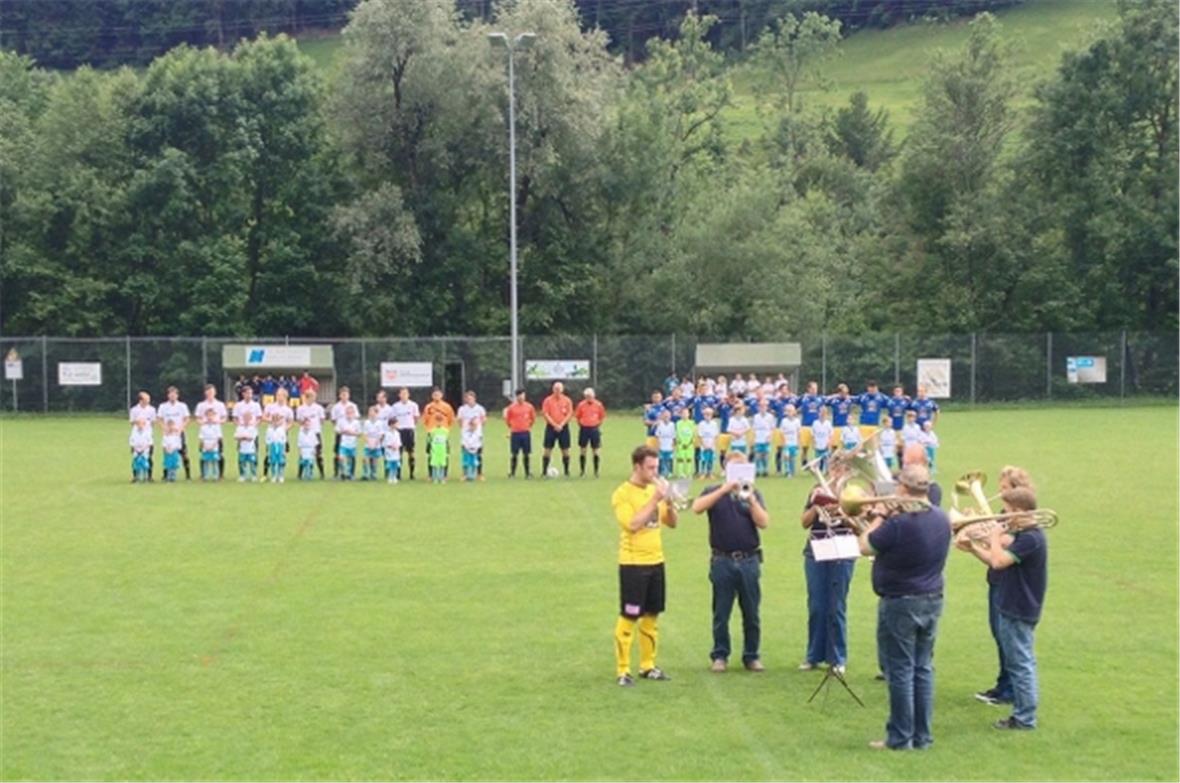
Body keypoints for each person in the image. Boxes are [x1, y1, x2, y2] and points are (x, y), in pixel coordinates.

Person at [858, 464, 951, 750]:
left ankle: (899, 737)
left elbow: (864, 546)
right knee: (923, 668)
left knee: (900, 670)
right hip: (932, 598)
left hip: (901, 601)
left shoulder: (898, 523)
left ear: (903, 488)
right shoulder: (942, 518)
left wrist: (879, 516)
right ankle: (922, 736)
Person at [957, 486, 1047, 731]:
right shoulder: (1022, 535)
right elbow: (995, 562)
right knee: (1018, 660)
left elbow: (998, 560)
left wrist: (994, 536)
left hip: (1019, 606)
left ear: (1019, 511)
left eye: (1007, 512)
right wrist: (974, 548)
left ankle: (1025, 717)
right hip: (1012, 603)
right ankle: (1022, 714)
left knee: (1020, 662)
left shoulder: (1030, 539)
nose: (1003, 516)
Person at [691, 452, 769, 673]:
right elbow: (697, 507)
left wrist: (751, 499)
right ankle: (720, 654)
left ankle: (751, 655)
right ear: (726, 470)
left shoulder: (753, 493)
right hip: (722, 559)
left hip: (749, 559)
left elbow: (764, 523)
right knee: (721, 612)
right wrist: (724, 490)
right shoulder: (713, 491)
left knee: (751, 612)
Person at [612, 445, 679, 686]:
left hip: (656, 560)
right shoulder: (623, 494)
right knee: (630, 615)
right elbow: (632, 523)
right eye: (650, 468)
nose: (654, 472)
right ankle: (623, 670)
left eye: (656, 467)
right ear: (637, 466)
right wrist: (655, 499)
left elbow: (672, 523)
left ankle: (648, 665)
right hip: (633, 564)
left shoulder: (655, 491)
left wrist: (669, 504)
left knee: (652, 615)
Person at [972, 465, 1034, 707]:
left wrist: (990, 536)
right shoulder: (1004, 515)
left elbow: (1001, 553)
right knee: (1000, 636)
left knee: (1008, 639)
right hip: (997, 581)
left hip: (1010, 585)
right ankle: (1003, 684)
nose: (1000, 495)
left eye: (1005, 490)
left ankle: (1011, 690)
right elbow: (993, 552)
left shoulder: (1023, 527)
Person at [799, 457, 857, 673]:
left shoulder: (853, 492)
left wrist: (843, 511)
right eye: (834, 466)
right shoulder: (816, 490)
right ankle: (813, 655)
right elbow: (804, 522)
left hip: (843, 549)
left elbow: (860, 525)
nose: (836, 470)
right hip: (816, 549)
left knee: (837, 605)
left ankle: (837, 658)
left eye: (841, 467)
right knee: (816, 604)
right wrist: (816, 506)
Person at [156, 386, 192, 480]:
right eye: (171, 394)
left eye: (174, 394)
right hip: (168, 434)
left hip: (179, 433)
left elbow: (187, 418)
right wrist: (164, 428)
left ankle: (188, 474)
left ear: (177, 395)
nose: (172, 396)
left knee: (183, 453)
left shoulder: (182, 406)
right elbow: (159, 419)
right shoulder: (163, 406)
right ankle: (166, 474)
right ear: (168, 395)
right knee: (167, 453)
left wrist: (181, 428)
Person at [194, 384, 228, 478]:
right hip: (205, 432)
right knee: (203, 453)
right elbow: (197, 418)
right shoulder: (201, 405)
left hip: (216, 431)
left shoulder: (220, 404)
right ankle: (203, 473)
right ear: (205, 393)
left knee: (219, 453)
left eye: (212, 392)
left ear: (215, 392)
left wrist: (217, 421)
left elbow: (225, 418)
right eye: (208, 392)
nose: (210, 394)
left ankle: (220, 474)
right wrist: (203, 422)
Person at [541, 381, 574, 478]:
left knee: (565, 450)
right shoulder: (547, 400)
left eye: (559, 389)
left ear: (562, 389)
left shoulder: (567, 400)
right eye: (556, 389)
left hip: (563, 428)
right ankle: (544, 472)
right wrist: (554, 424)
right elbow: (546, 413)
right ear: (553, 389)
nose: (557, 391)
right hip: (551, 427)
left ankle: (567, 471)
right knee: (547, 449)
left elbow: (569, 413)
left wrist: (561, 424)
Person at [504, 389, 536, 479]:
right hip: (515, 433)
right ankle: (512, 473)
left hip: (525, 433)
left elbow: (533, 419)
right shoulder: (511, 408)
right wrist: (513, 427)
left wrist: (527, 426)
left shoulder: (529, 407)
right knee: (514, 454)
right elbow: (508, 420)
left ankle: (527, 473)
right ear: (516, 397)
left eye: (523, 395)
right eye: (519, 395)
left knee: (526, 453)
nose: (521, 397)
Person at [390, 388, 421, 481]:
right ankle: (398, 474)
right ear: (399, 395)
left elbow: (416, 418)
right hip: (399, 431)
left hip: (409, 430)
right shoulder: (395, 406)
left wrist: (411, 426)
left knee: (411, 452)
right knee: (398, 453)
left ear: (408, 395)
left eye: (405, 393)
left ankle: (412, 473)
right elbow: (393, 419)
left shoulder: (413, 405)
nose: (404, 395)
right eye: (402, 394)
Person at [575, 388, 607, 478]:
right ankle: (582, 471)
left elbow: (602, 417)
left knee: (596, 450)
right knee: (583, 450)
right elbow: (577, 417)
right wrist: (582, 424)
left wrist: (596, 425)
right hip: (584, 429)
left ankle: (596, 471)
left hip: (594, 429)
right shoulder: (581, 405)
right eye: (587, 396)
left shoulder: (598, 405)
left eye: (590, 396)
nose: (589, 398)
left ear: (594, 396)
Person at [295, 389, 327, 479]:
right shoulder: (301, 408)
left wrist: (314, 427)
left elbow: (322, 420)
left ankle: (322, 473)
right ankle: (300, 474)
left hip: (316, 433)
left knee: (318, 453)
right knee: (303, 454)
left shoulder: (319, 408)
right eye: (311, 397)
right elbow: (299, 421)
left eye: (314, 397)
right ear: (306, 397)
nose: (313, 399)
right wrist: (305, 425)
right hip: (304, 433)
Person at [456, 391, 488, 481]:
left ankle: (479, 474)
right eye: (467, 398)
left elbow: (484, 419)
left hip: (477, 435)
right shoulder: (462, 409)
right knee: (465, 454)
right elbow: (459, 420)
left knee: (478, 454)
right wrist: (465, 429)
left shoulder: (480, 408)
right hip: (466, 435)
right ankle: (465, 474)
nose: (469, 400)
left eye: (471, 398)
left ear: (474, 398)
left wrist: (478, 428)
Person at [262, 387, 293, 479]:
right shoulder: (270, 406)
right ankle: (266, 474)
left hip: (281, 434)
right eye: (278, 395)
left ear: (285, 397)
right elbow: (263, 417)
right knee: (269, 453)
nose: (279, 397)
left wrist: (284, 429)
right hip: (271, 433)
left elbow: (290, 423)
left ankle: (280, 474)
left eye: (281, 395)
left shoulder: (288, 410)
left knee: (281, 454)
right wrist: (271, 420)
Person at [128, 391, 157, 481]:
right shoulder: (134, 410)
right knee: (136, 458)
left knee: (149, 456)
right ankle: (136, 476)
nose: (148, 401)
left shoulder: (152, 409)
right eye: (146, 399)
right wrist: (139, 423)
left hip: (147, 436)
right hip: (137, 436)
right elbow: (132, 422)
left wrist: (146, 427)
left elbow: (153, 422)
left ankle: (149, 476)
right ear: (141, 400)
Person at [329, 387, 356, 479]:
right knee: (337, 453)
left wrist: (351, 430)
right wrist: (340, 429)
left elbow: (356, 419)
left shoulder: (353, 405)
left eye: (346, 394)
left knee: (351, 454)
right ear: (339, 395)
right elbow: (333, 420)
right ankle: (337, 473)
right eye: (342, 394)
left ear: (349, 395)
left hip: (351, 434)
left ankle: (351, 473)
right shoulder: (336, 407)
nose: (344, 396)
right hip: (340, 433)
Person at [797, 381, 824, 468]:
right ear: (808, 389)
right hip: (806, 425)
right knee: (805, 447)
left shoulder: (819, 399)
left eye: (816, 389)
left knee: (817, 445)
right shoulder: (803, 398)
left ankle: (817, 463)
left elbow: (822, 410)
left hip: (816, 426)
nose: (814, 391)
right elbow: (795, 406)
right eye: (813, 389)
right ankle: (804, 462)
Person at [885, 385, 912, 464]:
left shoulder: (905, 401)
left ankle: (901, 463)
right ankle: (890, 463)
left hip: (901, 427)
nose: (898, 393)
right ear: (894, 392)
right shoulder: (890, 401)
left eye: (899, 391)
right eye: (896, 391)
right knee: (891, 446)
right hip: (891, 428)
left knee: (900, 447)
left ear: (902, 392)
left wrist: (909, 400)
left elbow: (911, 410)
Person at [750, 399, 776, 477]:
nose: (763, 408)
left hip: (766, 437)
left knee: (765, 456)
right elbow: (754, 429)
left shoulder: (770, 417)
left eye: (764, 406)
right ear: (758, 407)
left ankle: (765, 469)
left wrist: (770, 437)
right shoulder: (756, 416)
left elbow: (772, 428)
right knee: (757, 455)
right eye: (761, 406)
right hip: (758, 438)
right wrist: (753, 438)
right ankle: (758, 470)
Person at [336, 405, 360, 480]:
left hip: (352, 444)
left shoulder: (356, 422)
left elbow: (359, 434)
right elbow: (337, 430)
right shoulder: (341, 421)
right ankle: (342, 473)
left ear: (353, 413)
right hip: (343, 444)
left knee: (351, 459)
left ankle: (351, 474)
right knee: (341, 458)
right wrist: (343, 431)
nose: (349, 414)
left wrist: (351, 433)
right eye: (347, 413)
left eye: (350, 413)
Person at [361, 405, 385, 481]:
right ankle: (365, 474)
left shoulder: (380, 423)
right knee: (365, 459)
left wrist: (375, 443)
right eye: (369, 412)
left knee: (374, 461)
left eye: (372, 412)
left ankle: (373, 474)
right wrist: (369, 442)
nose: (371, 413)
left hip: (376, 444)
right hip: (368, 444)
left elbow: (381, 435)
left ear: (376, 413)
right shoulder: (366, 422)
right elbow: (364, 434)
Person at [198, 409, 223, 481]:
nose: (210, 417)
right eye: (208, 415)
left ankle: (216, 476)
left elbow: (218, 437)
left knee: (214, 461)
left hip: (214, 446)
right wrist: (205, 446)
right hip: (205, 446)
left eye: (211, 415)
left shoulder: (217, 426)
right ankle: (205, 476)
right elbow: (201, 437)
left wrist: (213, 446)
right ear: (206, 416)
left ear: (214, 416)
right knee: (206, 461)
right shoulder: (203, 426)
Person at [265, 409, 289, 483]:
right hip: (272, 446)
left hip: (280, 446)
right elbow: (267, 440)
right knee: (273, 462)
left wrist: (284, 450)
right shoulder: (269, 430)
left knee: (281, 462)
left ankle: (280, 475)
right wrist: (268, 450)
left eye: (277, 420)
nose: (276, 423)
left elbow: (284, 440)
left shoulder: (282, 429)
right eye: (274, 421)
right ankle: (274, 476)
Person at [234, 412, 259, 482]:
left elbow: (251, 438)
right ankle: (242, 475)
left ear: (250, 419)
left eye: (248, 418)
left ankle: (254, 475)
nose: (246, 420)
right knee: (242, 462)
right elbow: (236, 437)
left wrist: (242, 437)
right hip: (242, 449)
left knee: (252, 462)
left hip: (251, 449)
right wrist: (243, 438)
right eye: (245, 418)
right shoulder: (239, 427)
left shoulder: (253, 428)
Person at [696, 407, 720, 479]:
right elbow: (699, 436)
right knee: (703, 459)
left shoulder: (714, 424)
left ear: (712, 415)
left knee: (711, 459)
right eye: (706, 414)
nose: (708, 416)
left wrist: (712, 444)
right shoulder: (701, 424)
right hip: (704, 444)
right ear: (704, 415)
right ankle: (703, 473)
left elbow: (716, 436)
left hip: (711, 444)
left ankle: (710, 473)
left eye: (709, 414)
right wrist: (704, 445)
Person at [779, 405, 802, 477]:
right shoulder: (784, 421)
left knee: (792, 457)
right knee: (786, 457)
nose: (789, 412)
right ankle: (787, 471)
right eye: (788, 411)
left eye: (791, 411)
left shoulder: (797, 421)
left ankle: (792, 471)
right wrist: (784, 442)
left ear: (794, 412)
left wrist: (798, 443)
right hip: (787, 442)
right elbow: (782, 432)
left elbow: (798, 432)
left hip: (794, 442)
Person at [673, 407, 696, 479]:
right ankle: (680, 473)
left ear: (689, 414)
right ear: (680, 415)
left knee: (689, 459)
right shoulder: (678, 423)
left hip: (689, 444)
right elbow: (678, 433)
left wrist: (690, 442)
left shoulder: (692, 423)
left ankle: (688, 473)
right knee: (680, 459)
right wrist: (681, 442)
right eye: (683, 413)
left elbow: (693, 433)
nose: (684, 415)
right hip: (681, 444)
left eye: (686, 413)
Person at [129, 418, 153, 483]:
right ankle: (137, 478)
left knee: (145, 465)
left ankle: (145, 478)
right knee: (137, 465)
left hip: (144, 452)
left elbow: (150, 442)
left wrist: (144, 448)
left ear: (144, 424)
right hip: (136, 451)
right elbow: (131, 441)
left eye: (142, 424)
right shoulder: (134, 433)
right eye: (138, 424)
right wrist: (135, 448)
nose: (140, 425)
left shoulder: (147, 433)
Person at [811, 406, 834, 471]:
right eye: (821, 412)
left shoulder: (828, 423)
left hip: (825, 444)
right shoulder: (815, 423)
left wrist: (829, 443)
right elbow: (813, 434)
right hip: (818, 443)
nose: (822, 414)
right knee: (817, 459)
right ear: (818, 413)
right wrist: (814, 443)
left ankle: (827, 471)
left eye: (824, 413)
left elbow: (831, 434)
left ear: (826, 414)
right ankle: (818, 471)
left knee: (826, 459)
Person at [654, 408, 675, 478]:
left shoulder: (672, 425)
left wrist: (673, 445)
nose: (666, 417)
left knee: (669, 459)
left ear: (670, 416)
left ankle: (669, 472)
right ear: (662, 416)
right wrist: (658, 445)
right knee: (662, 459)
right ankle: (662, 473)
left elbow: (673, 436)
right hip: (662, 444)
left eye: (668, 416)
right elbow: (657, 435)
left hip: (669, 444)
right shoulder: (660, 425)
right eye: (665, 416)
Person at [461, 418, 482, 482]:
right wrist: (466, 447)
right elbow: (464, 441)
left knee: (474, 463)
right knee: (466, 462)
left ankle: (473, 475)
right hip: (466, 450)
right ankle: (466, 475)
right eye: (471, 425)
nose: (472, 427)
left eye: (474, 425)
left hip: (474, 450)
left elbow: (478, 442)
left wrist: (475, 448)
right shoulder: (465, 433)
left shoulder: (478, 434)